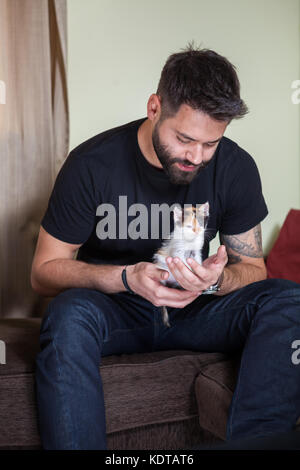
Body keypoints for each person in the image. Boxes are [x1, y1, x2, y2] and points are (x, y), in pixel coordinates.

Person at [31, 44, 300, 450]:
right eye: (185, 139)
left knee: (290, 300)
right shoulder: (91, 164)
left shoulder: (235, 167)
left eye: (211, 144)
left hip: (197, 308)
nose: (196, 156)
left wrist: (217, 280)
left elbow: (254, 269)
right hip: (117, 308)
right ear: (154, 107)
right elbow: (43, 272)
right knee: (67, 316)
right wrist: (126, 277)